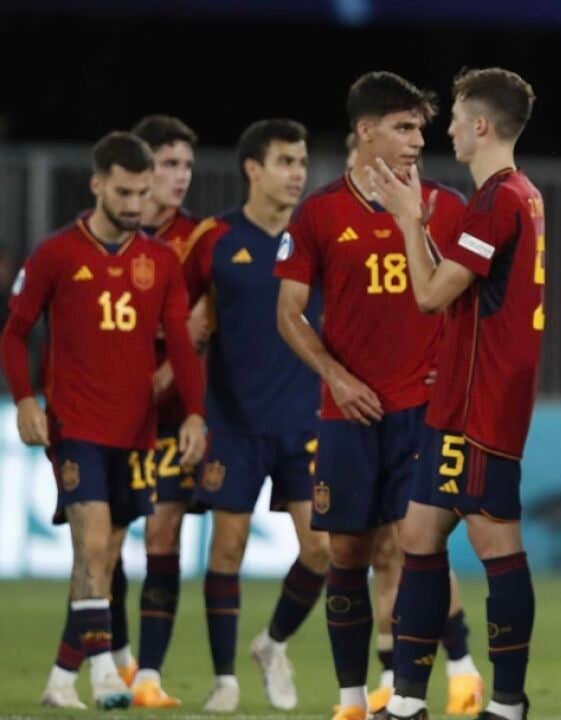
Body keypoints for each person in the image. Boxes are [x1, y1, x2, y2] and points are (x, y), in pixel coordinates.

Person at [273, 71, 470, 720]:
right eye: (403, 127)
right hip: (348, 413)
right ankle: (352, 700)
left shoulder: (447, 206)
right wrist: (335, 375)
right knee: (347, 553)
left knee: (417, 545)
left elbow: (473, 302)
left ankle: (417, 692)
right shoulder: (320, 213)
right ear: (365, 130)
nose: (417, 140)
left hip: (424, 411)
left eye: (420, 128)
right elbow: (290, 313)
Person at [1, 131, 206, 710]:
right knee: (93, 545)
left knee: (104, 558)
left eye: (142, 193)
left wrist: (194, 412)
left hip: (136, 432)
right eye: (124, 193)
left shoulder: (159, 261)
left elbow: (181, 347)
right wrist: (25, 400)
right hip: (76, 427)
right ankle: (106, 675)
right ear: (97, 185)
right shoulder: (56, 253)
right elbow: (14, 333)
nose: (135, 204)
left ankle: (60, 680)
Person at [370, 66, 542, 720]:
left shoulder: (498, 200)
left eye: (456, 120)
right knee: (418, 535)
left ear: (481, 126)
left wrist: (407, 221)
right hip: (465, 400)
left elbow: (428, 294)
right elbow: (459, 285)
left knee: (497, 545)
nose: (447, 132)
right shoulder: (520, 195)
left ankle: (507, 702)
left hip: (480, 404)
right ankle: (408, 700)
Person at [177, 118, 327, 712]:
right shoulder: (214, 238)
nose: (297, 173)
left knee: (322, 550)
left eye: (302, 161)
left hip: (303, 420)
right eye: (286, 161)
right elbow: (174, 311)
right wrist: (187, 334)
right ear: (253, 169)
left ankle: (273, 643)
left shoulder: (316, 235)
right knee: (227, 549)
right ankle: (225, 681)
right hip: (232, 423)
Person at [124, 113, 206, 708]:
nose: (180, 177)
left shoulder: (198, 240)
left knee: (163, 531)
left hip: (173, 415)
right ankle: (114, 660)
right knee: (100, 540)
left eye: (186, 166)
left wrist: (162, 380)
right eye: (168, 164)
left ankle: (149, 674)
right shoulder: (105, 237)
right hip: (110, 414)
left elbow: (201, 327)